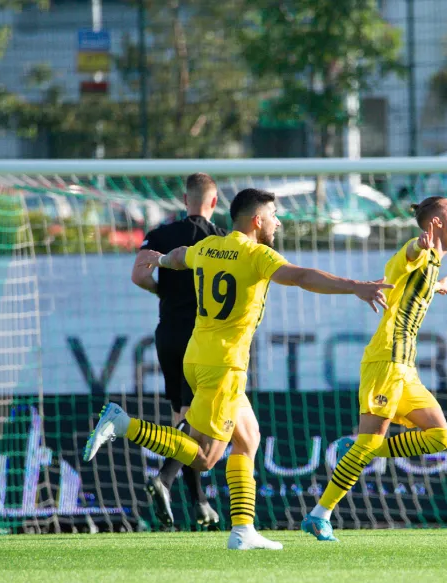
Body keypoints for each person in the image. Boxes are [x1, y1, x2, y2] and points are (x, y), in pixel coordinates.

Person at [84, 188, 392, 550]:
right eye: (274, 215)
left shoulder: (208, 247)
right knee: (204, 457)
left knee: (249, 439)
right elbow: (302, 276)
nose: (277, 222)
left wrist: (162, 260)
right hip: (224, 366)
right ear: (256, 220)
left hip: (197, 357)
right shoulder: (256, 254)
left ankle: (243, 529)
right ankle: (123, 423)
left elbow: (182, 257)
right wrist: (355, 286)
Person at [301, 196, 447, 542]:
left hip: (407, 369)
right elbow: (404, 259)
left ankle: (361, 449)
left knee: (440, 437)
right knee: (371, 439)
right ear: (435, 223)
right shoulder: (419, 251)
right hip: (387, 360)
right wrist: (416, 245)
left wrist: (434, 286)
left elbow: (407, 288)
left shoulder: (433, 262)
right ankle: (319, 515)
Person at [130, 173, 224, 531]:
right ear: (214, 202)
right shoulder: (220, 240)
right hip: (200, 337)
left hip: (167, 331)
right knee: (195, 421)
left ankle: (198, 503)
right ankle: (166, 480)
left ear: (185, 199)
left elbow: (138, 275)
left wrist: (162, 293)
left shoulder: (161, 233)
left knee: (181, 418)